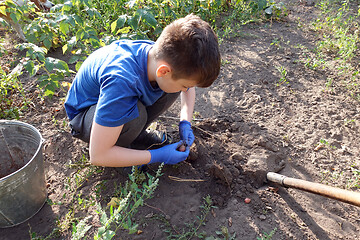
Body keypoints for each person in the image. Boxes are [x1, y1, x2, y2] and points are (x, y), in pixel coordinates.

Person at [64, 14, 221, 168]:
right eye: (186, 86)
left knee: (172, 88)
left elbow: (187, 85)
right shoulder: (122, 82)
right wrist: (158, 156)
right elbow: (98, 156)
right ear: (164, 71)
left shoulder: (161, 56)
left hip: (111, 103)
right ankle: (120, 152)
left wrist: (185, 121)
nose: (187, 90)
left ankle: (134, 138)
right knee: (136, 115)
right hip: (84, 119)